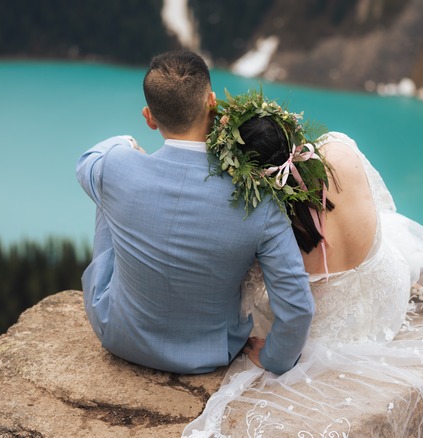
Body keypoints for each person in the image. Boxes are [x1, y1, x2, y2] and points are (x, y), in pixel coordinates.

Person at [184, 90, 423, 436]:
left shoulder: (270, 227)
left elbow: (277, 299)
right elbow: (384, 208)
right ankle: (421, 279)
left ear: (252, 177)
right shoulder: (339, 149)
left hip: (333, 336)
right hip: (389, 294)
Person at [75, 51, 315, 375]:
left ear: (149, 118)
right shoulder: (258, 203)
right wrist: (275, 358)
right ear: (212, 103)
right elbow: (298, 307)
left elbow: (88, 160)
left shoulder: (116, 167)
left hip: (118, 337)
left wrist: (129, 143)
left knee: (108, 190)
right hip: (211, 354)